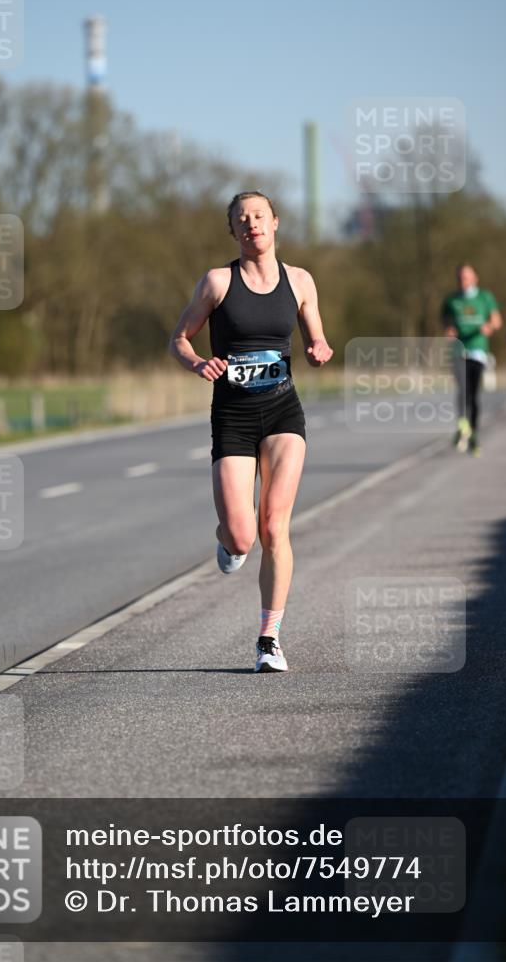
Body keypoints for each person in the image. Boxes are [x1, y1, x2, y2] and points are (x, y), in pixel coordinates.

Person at [168, 191, 332, 672]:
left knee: (273, 526)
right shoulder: (218, 282)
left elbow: (315, 334)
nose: (251, 224)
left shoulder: (300, 281)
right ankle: (227, 540)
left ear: (275, 223)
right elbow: (179, 337)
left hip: (283, 412)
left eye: (259, 216)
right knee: (242, 537)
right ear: (233, 231)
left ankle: (269, 638)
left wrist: (320, 346)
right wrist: (197, 361)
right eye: (242, 219)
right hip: (233, 416)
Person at [441, 263, 502, 456]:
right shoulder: (451, 299)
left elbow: (496, 320)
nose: (463, 280)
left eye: (467, 277)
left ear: (475, 278)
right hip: (459, 349)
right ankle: (462, 424)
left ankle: (473, 432)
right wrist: (448, 329)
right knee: (462, 388)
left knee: (473, 394)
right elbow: (446, 319)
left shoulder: (485, 297)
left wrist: (489, 327)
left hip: (477, 350)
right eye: (460, 277)